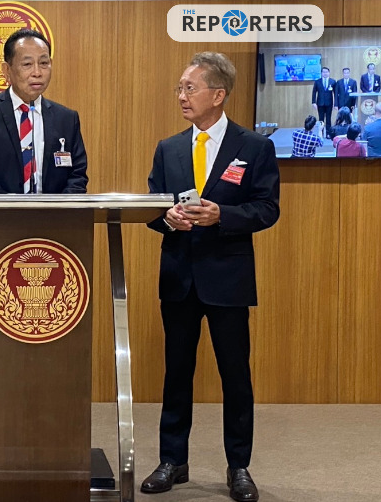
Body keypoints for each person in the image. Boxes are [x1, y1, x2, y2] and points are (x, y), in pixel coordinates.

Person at [143, 52, 280, 502]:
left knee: (234, 375)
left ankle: (239, 466)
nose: (181, 96)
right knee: (177, 373)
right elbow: (153, 207)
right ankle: (172, 461)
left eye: (190, 88)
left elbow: (267, 208)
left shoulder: (254, 147)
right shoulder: (168, 148)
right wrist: (166, 218)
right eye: (180, 88)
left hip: (228, 279)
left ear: (218, 95)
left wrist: (224, 215)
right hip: (179, 277)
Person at [0, 28, 88, 260]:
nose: (37, 72)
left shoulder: (66, 118)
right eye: (27, 64)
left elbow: (77, 175)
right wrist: (14, 211)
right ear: (7, 70)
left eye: (44, 63)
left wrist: (56, 213)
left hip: (56, 233)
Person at [311, 66, 335, 133]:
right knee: (321, 119)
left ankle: (328, 133)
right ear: (321, 73)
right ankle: (321, 132)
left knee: (328, 119)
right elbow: (314, 92)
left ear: (329, 73)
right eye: (323, 72)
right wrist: (313, 102)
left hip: (329, 103)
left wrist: (335, 104)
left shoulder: (333, 81)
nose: (325, 73)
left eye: (326, 72)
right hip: (320, 103)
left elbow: (335, 93)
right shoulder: (317, 82)